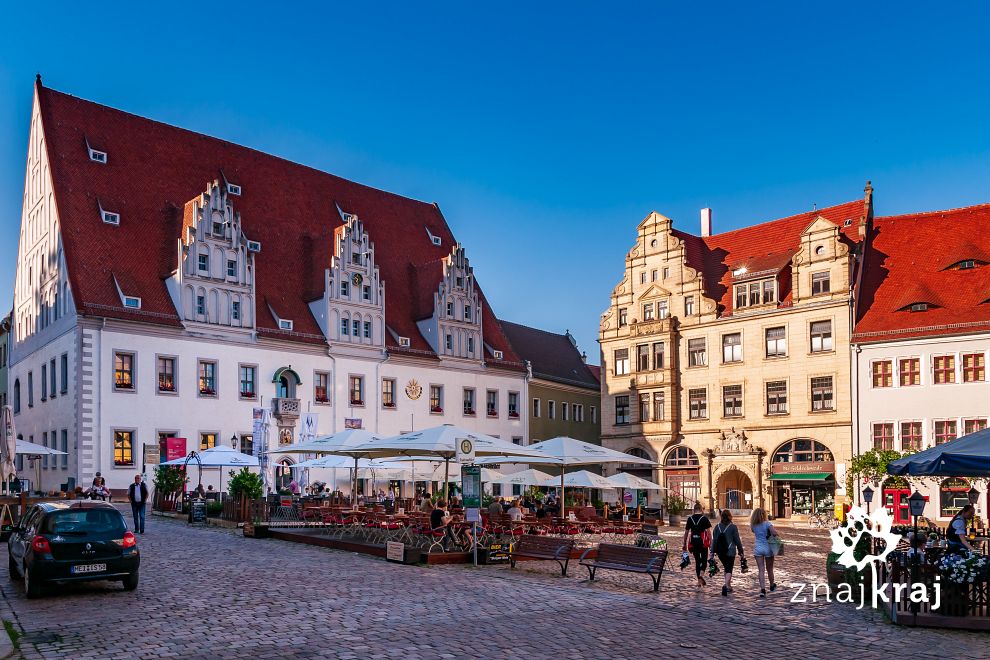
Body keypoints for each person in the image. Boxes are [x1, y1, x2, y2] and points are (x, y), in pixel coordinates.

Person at [710, 510, 744, 596]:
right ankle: (726, 585)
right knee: (729, 569)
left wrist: (712, 552)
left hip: (720, 552)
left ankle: (728, 585)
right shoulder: (733, 527)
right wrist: (741, 551)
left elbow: (714, 541)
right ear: (730, 516)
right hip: (730, 551)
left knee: (726, 567)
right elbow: (737, 540)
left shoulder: (717, 527)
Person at [751, 507, 779, 597]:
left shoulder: (753, 525)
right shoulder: (767, 524)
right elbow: (774, 533)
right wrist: (776, 534)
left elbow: (754, 532)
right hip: (768, 548)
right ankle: (771, 585)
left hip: (758, 548)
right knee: (769, 569)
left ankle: (762, 590)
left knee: (761, 570)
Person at [683, 502, 712, 587]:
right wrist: (711, 543)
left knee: (697, 561)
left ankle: (699, 581)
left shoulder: (690, 519)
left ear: (694, 510)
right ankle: (701, 576)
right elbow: (709, 533)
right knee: (704, 561)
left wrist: (684, 543)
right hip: (703, 544)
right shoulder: (704, 519)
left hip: (693, 543)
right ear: (701, 510)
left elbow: (686, 532)